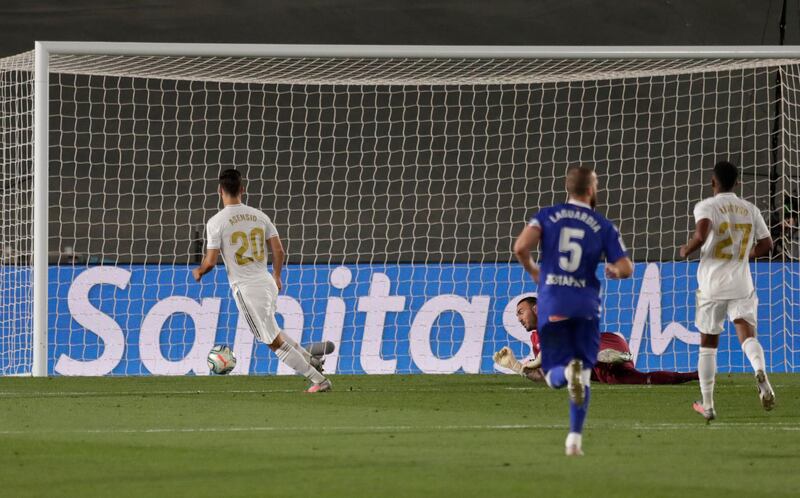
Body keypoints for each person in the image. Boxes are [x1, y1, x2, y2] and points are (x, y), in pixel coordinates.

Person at [513, 166, 633, 456]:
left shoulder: (546, 216)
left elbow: (520, 248)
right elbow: (627, 268)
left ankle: (562, 373)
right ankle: (574, 441)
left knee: (555, 375)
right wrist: (614, 270)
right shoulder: (603, 225)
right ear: (591, 190)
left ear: (569, 188)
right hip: (586, 306)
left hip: (553, 302)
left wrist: (534, 272)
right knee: (583, 374)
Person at [193, 169, 333, 393]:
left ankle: (318, 380)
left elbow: (210, 262)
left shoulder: (216, 222)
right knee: (272, 330)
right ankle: (311, 359)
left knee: (271, 341)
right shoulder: (259, 216)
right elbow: (278, 250)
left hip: (247, 289)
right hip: (266, 281)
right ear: (242, 189)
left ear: (220, 191)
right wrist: (277, 275)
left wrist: (199, 272)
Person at [679, 160, 775, 421]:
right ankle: (760, 372)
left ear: (713, 182)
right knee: (747, 335)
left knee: (708, 345)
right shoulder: (750, 209)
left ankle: (708, 405)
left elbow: (701, 234)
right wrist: (746, 254)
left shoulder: (707, 206)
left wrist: (687, 248)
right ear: (738, 182)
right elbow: (768, 244)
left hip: (712, 285)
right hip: (741, 284)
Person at [494, 295, 699, 385]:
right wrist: (518, 367)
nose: (519, 319)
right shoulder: (536, 339)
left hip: (603, 342)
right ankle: (696, 375)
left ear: (537, 308)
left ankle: (612, 355)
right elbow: (544, 375)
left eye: (521, 312)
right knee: (625, 380)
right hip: (596, 363)